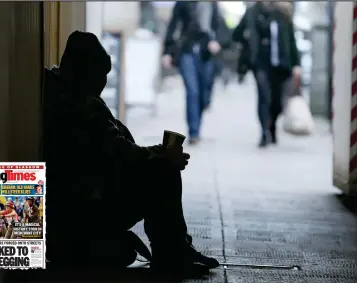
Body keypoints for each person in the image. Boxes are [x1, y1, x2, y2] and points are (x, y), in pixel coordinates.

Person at [44, 31, 219, 275]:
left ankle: (174, 249)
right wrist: (161, 155)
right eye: (99, 78)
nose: (101, 86)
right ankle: (172, 253)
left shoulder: (62, 91)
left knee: (158, 166)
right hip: (85, 205)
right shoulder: (79, 104)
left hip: (76, 202)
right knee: (162, 171)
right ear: (86, 74)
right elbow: (120, 153)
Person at [233, 1, 301, 147]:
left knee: (277, 101)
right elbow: (236, 34)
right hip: (260, 62)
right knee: (263, 95)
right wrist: (247, 39)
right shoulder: (252, 12)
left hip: (280, 64)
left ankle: (272, 126)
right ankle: (264, 132)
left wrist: (296, 64)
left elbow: (291, 39)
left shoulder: (283, 13)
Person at [162, 2, 230, 145]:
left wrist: (217, 41)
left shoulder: (212, 4)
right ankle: (194, 132)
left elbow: (220, 27)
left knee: (204, 94)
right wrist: (167, 52)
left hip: (207, 53)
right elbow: (173, 26)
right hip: (187, 51)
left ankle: (199, 116)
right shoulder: (182, 3)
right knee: (192, 91)